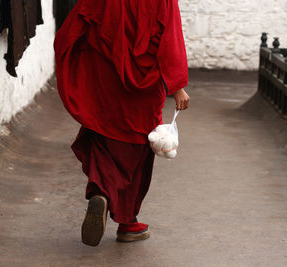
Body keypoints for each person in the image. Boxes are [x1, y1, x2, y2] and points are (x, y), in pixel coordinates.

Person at [54, 0, 190, 246]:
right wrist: (178, 86)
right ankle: (127, 222)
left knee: (103, 134)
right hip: (145, 86)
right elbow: (169, 37)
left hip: (106, 77)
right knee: (137, 148)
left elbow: (78, 21)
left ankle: (100, 193)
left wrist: (73, 58)